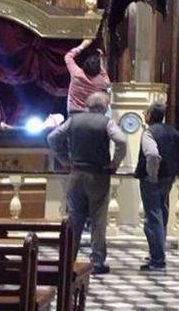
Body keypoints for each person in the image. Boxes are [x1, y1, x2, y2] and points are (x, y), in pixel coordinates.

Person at [47, 92, 126, 275]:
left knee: (74, 219)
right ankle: (97, 261)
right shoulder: (106, 122)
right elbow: (121, 140)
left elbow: (52, 138)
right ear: (105, 107)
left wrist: (64, 159)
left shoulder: (73, 120)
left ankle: (68, 260)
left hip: (76, 175)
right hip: (98, 176)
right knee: (98, 219)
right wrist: (115, 163)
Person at [135, 101, 179, 272]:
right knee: (162, 213)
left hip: (153, 180)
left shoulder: (149, 133)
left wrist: (152, 175)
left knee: (153, 218)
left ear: (150, 116)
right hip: (168, 178)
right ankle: (156, 252)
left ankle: (158, 259)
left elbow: (152, 154)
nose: (144, 115)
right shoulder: (173, 131)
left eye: (146, 113)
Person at [64, 38, 111, 113]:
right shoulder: (101, 82)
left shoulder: (76, 73)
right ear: (98, 70)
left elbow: (68, 57)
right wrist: (100, 62)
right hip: (90, 114)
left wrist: (83, 45)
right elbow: (107, 82)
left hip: (73, 112)